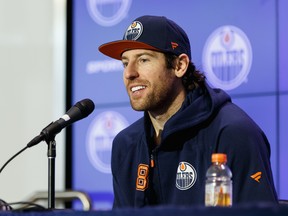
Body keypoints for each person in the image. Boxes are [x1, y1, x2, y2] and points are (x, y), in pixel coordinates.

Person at [98, 15, 278, 208]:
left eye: (143, 60)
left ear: (179, 65)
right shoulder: (126, 145)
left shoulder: (233, 133)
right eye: (125, 63)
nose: (129, 73)